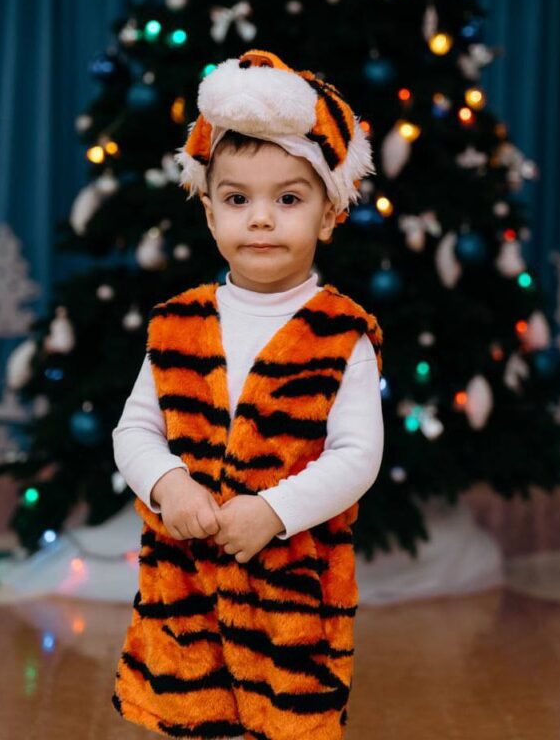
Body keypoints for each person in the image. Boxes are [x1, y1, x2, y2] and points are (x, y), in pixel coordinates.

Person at [111, 49, 385, 740]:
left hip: (290, 586)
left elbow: (357, 457)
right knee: (190, 711)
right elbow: (135, 431)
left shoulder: (340, 332)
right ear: (209, 214)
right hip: (185, 578)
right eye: (238, 200)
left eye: (288, 199)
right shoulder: (177, 323)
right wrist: (169, 484)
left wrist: (274, 510)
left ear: (329, 214)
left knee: (288, 717)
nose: (261, 219)